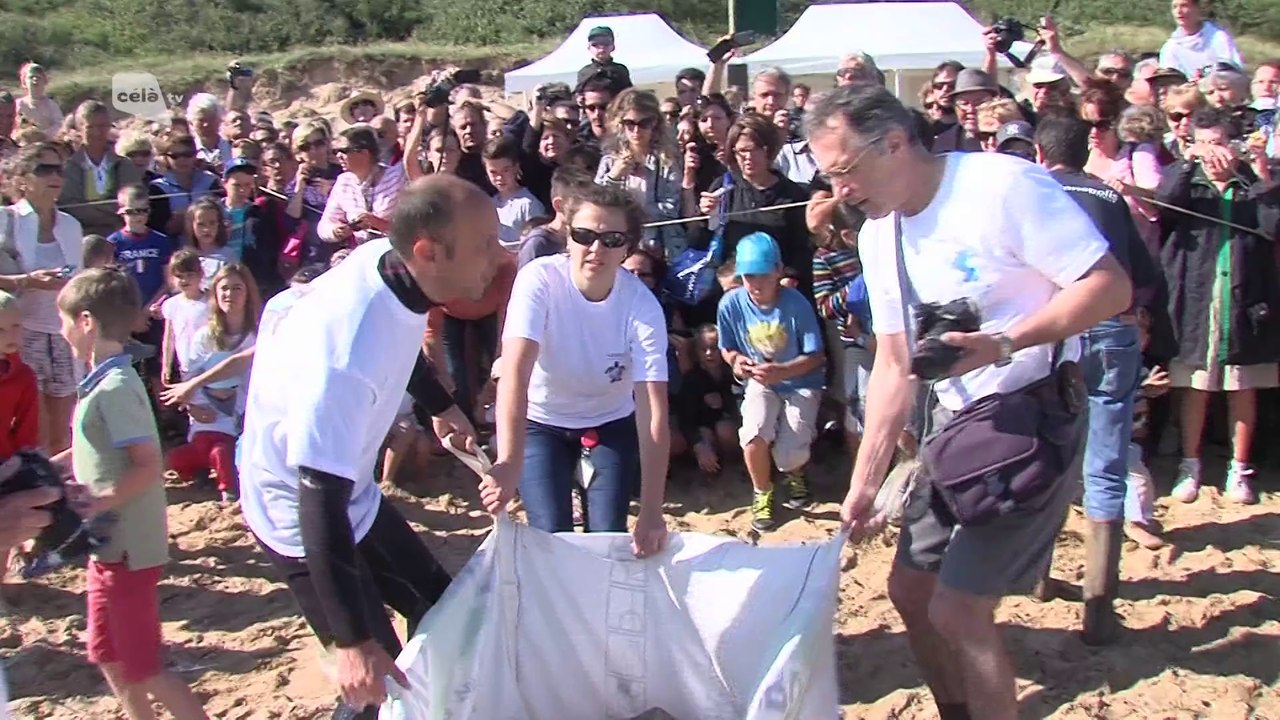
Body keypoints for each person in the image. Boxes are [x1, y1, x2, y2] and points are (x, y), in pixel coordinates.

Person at [806, 85, 1132, 720]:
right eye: (826, 175)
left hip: (1033, 418)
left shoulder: (1004, 187)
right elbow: (895, 367)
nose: (838, 192)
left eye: (843, 171)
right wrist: (864, 483)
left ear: (895, 143)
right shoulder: (880, 236)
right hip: (953, 429)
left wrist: (1005, 342)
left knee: (958, 608)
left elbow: (1110, 288)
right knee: (908, 588)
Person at [237, 175, 503, 717]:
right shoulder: (344, 357)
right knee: (373, 682)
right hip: (298, 516)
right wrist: (353, 641)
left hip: (347, 490)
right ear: (428, 252)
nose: (496, 259)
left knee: (441, 610)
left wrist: (439, 405)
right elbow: (317, 501)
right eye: (483, 247)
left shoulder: (391, 261)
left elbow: (400, 340)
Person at [1035, 114, 1167, 645]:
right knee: (1107, 463)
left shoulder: (1034, 192)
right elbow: (1146, 276)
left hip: (1057, 328)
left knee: (1045, 456)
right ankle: (1099, 609)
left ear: (1040, 155)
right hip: (1113, 328)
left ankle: (1039, 579)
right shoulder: (1110, 198)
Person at [53, 268, 208, 720]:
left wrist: (95, 500)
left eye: (64, 322)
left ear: (86, 322)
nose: (61, 332)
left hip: (128, 550)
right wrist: (49, 467)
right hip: (107, 546)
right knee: (106, 652)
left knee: (145, 666)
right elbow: (94, 446)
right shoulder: (104, 383)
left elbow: (148, 464)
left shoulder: (117, 388)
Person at [483, 182, 669, 550]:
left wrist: (651, 510)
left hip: (610, 422)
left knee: (607, 537)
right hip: (541, 422)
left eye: (612, 239)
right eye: (584, 235)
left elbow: (652, 409)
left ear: (627, 248)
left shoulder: (642, 306)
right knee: (552, 537)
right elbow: (515, 376)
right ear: (568, 236)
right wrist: (507, 461)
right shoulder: (538, 280)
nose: (596, 248)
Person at [1156, 109, 1280, 506]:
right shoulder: (1187, 181)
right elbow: (1163, 206)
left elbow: (1273, 226)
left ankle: (1238, 468)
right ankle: (1189, 464)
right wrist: (1188, 161)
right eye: (1203, 142)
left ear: (1233, 144)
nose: (1212, 152)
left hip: (1245, 302)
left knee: (1242, 388)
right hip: (1196, 303)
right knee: (1195, 387)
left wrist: (1260, 177)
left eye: (1218, 142)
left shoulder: (1249, 184)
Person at [717, 232, 826, 532]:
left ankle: (794, 472)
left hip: (801, 379)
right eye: (749, 275)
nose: (755, 283)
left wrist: (784, 370)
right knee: (752, 434)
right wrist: (736, 362)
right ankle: (762, 492)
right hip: (759, 380)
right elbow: (727, 348)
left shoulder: (796, 303)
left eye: (763, 274)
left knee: (789, 452)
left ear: (778, 270)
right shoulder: (730, 303)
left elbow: (816, 355)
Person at [0, 142, 83, 453]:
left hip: (63, 334)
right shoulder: (4, 220)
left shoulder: (72, 226)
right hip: (19, 334)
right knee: (34, 431)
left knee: (63, 433)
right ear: (22, 179)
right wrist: (27, 281)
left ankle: (58, 493)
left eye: (59, 169)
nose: (55, 176)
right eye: (44, 169)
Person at [168, 264, 259, 503]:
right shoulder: (204, 337)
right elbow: (190, 378)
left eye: (237, 288)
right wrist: (193, 407)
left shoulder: (259, 335)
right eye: (225, 288)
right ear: (215, 294)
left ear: (248, 293)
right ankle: (202, 470)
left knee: (227, 452)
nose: (230, 294)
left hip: (246, 418)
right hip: (208, 416)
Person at [0, 290, 40, 590]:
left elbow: (27, 427)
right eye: (1, 329)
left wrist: (20, 463)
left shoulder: (23, 375)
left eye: (16, 326)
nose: (11, 335)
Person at [1158, 0, 1243, 78]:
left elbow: (1232, 69)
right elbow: (1168, 78)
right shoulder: (1170, 47)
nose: (1179, 11)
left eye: (1184, 6)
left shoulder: (1218, 37)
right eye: (1174, 7)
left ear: (1197, 9)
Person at [577, 25, 632, 96]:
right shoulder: (584, 72)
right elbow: (578, 94)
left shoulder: (620, 70)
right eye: (595, 44)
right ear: (589, 47)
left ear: (613, 46)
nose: (601, 48)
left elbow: (629, 95)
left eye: (606, 43)